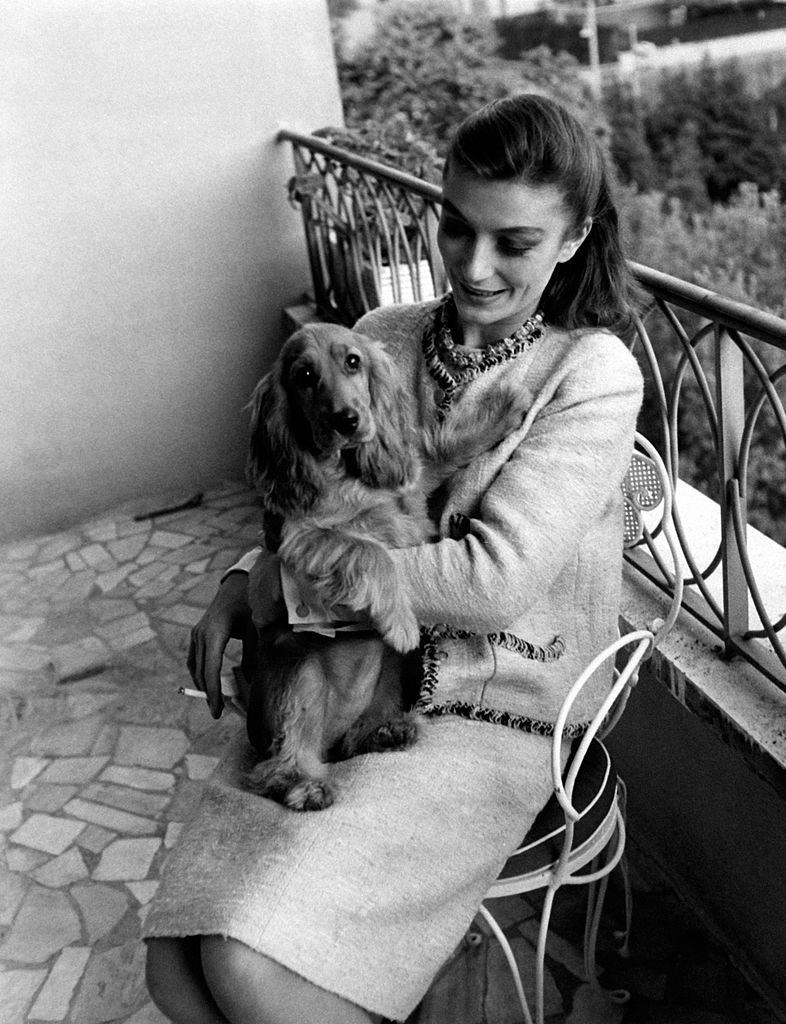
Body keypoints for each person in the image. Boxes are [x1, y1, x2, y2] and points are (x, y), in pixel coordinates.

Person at [143, 93, 644, 1024]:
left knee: (248, 968)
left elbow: (492, 583)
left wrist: (285, 587)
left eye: (514, 242)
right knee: (175, 968)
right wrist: (237, 583)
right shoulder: (378, 337)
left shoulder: (590, 374)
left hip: (492, 700)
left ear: (573, 239)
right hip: (340, 675)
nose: (475, 266)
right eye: (456, 227)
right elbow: (306, 503)